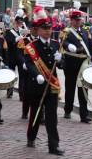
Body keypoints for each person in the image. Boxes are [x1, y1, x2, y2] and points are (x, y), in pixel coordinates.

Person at [24, 8, 64, 155]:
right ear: (38, 30)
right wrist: (37, 75)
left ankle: (53, 146)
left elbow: (61, 65)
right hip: (37, 86)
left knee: (52, 117)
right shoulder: (32, 46)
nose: (48, 31)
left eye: (49, 28)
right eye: (44, 28)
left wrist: (60, 60)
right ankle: (31, 137)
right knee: (36, 113)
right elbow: (28, 63)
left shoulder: (55, 44)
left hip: (52, 86)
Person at [62, 10, 92, 123]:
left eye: (80, 20)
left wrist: (91, 60)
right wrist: (68, 45)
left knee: (84, 89)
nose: (78, 22)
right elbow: (62, 43)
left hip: (83, 63)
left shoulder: (85, 31)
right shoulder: (67, 31)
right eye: (76, 20)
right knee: (70, 88)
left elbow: (89, 46)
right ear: (72, 20)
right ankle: (68, 110)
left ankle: (84, 115)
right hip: (71, 63)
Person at [16, 21, 39, 119]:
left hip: (38, 68)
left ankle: (39, 113)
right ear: (31, 29)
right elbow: (19, 54)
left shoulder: (40, 41)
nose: (36, 31)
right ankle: (25, 112)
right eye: (34, 29)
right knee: (26, 91)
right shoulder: (24, 40)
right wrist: (23, 63)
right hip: (27, 68)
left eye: (37, 29)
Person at [4, 9, 25, 98]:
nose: (19, 24)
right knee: (11, 74)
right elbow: (8, 42)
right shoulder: (9, 32)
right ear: (15, 22)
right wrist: (16, 39)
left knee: (22, 75)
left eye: (21, 23)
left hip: (20, 56)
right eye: (18, 23)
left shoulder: (23, 32)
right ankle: (9, 92)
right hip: (12, 56)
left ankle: (21, 94)